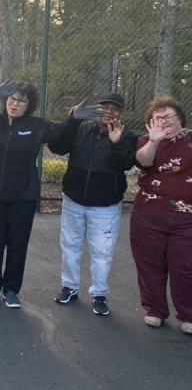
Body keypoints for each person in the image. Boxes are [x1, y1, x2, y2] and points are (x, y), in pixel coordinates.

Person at [0, 81, 99, 308]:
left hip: (23, 195)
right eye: (12, 99)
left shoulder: (36, 126)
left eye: (21, 100)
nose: (15, 104)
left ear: (29, 105)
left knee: (17, 243)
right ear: (5, 100)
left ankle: (11, 290)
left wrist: (74, 118)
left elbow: (60, 133)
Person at [48, 93, 136, 316]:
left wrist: (116, 143)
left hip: (105, 205)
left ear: (120, 112)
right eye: (104, 107)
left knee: (102, 251)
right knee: (70, 244)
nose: (109, 112)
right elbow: (57, 146)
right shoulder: (81, 128)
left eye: (114, 109)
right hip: (74, 199)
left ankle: (99, 294)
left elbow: (125, 163)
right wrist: (72, 120)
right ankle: (69, 287)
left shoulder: (127, 136)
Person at [130, 96, 192, 334]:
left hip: (187, 217)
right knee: (149, 263)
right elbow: (143, 162)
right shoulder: (146, 140)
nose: (163, 121)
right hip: (150, 213)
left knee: (184, 265)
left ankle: (188, 314)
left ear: (180, 119)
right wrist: (154, 142)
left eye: (168, 117)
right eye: (158, 117)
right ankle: (154, 309)